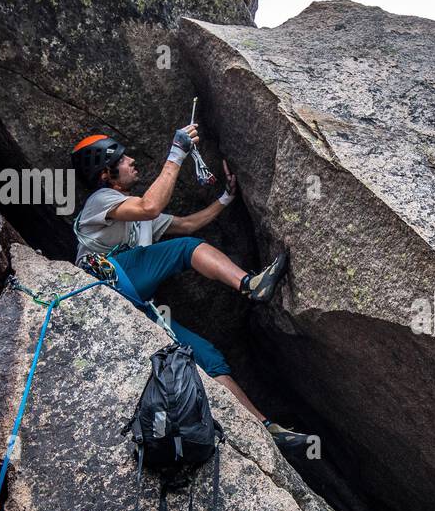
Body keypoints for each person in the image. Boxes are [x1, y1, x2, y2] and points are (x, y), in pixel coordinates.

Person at [70, 125, 310, 450]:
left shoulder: (135, 214)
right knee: (184, 249)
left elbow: (186, 223)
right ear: (105, 173)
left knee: (206, 357)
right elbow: (150, 208)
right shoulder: (101, 200)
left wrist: (226, 197)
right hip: (107, 285)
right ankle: (250, 284)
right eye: (123, 159)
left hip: (134, 306)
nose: (132, 161)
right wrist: (177, 152)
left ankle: (267, 430)